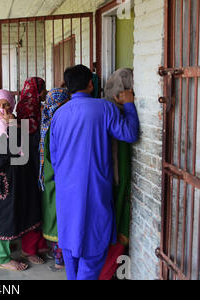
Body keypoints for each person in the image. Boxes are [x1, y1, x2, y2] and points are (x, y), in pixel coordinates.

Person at [50, 65, 139, 280]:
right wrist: (128, 105)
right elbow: (129, 133)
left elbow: (54, 157)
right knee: (93, 250)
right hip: (93, 190)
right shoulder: (103, 108)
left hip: (66, 191)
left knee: (71, 248)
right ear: (91, 84)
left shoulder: (58, 114)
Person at [0, 89, 46, 271]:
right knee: (3, 215)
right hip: (1, 179)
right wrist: (10, 128)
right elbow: (3, 152)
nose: (2, 109)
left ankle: (29, 249)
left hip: (21, 176)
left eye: (6, 104)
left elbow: (24, 149)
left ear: (13, 106)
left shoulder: (17, 123)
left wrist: (13, 127)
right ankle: (3, 258)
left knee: (28, 209)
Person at [99, 68, 134, 280]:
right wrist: (129, 106)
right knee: (114, 225)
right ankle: (107, 272)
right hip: (114, 180)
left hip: (103, 180)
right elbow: (129, 135)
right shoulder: (115, 112)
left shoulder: (101, 108)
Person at [16, 77, 49, 265]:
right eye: (43, 90)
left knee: (38, 200)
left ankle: (38, 242)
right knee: (33, 202)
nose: (44, 93)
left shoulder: (30, 106)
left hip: (33, 159)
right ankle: (29, 249)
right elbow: (30, 131)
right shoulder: (29, 109)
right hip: (29, 162)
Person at [38, 88, 71, 272]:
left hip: (47, 177)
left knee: (52, 215)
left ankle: (57, 254)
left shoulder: (46, 122)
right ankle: (60, 259)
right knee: (60, 217)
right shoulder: (58, 124)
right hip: (57, 177)